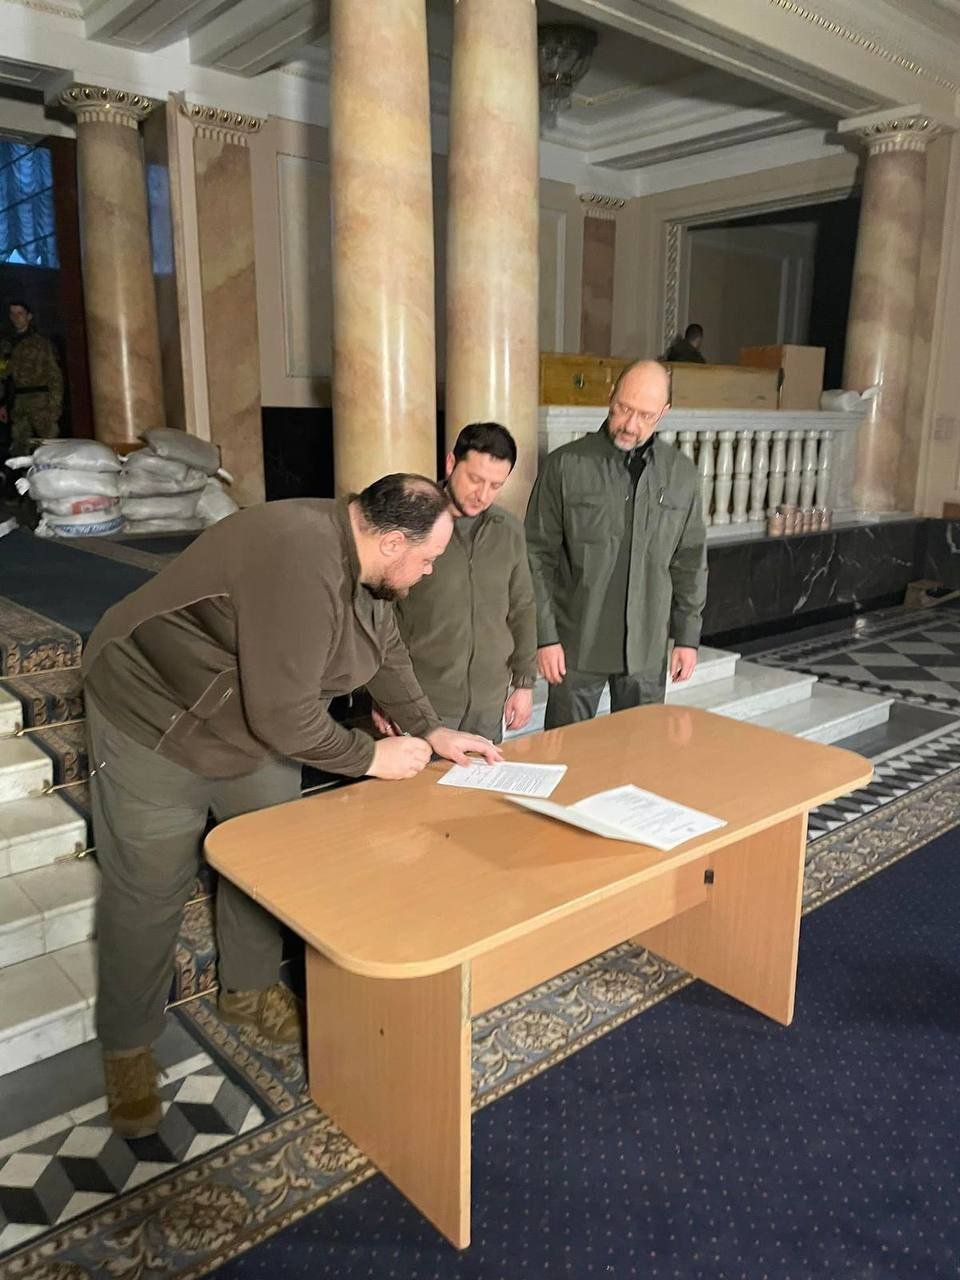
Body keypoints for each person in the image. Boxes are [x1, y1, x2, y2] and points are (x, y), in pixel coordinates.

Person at [82, 475, 502, 1138]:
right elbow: (285, 716)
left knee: (270, 864)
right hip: (153, 716)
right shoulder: (298, 557)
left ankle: (248, 992)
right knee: (147, 889)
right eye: (427, 559)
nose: (428, 572)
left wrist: (430, 728)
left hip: (249, 725)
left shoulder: (365, 561)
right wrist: (368, 757)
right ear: (393, 541)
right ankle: (128, 1047)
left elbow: (383, 649)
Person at [525, 359, 707, 729]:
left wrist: (687, 637)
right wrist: (545, 637)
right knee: (566, 752)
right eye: (623, 408)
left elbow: (689, 562)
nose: (630, 424)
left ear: (664, 412)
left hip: (646, 649)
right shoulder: (566, 465)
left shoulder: (681, 474)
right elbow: (535, 556)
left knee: (640, 751)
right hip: (576, 645)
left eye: (645, 415)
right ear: (611, 396)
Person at [375, 423, 537, 744]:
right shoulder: (411, 526)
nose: (483, 495)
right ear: (451, 463)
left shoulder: (509, 531)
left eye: (495, 485)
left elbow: (523, 606)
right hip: (421, 703)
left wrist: (524, 684)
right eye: (475, 479)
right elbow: (382, 616)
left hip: (488, 704)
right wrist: (384, 694)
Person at [1, 300, 63, 455]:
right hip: (17, 402)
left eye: (20, 313)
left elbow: (55, 376)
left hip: (41, 402)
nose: (16, 317)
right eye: (12, 314)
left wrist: (55, 406)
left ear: (29, 316)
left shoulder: (42, 343)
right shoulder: (6, 344)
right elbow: (2, 376)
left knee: (48, 447)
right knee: (19, 448)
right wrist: (2, 403)